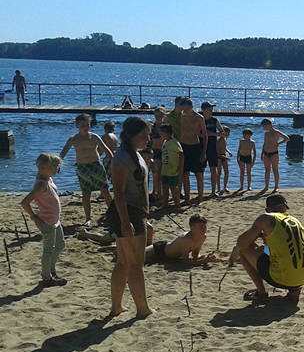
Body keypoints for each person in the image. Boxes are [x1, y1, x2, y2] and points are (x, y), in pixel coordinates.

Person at [107, 116, 153, 319]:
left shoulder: (133, 153)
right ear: (131, 135)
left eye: (148, 135)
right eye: (143, 136)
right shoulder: (121, 157)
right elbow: (118, 193)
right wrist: (126, 223)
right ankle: (142, 309)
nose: (147, 139)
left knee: (124, 263)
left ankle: (116, 307)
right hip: (128, 213)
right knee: (134, 265)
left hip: (136, 212)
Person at [228, 193, 304, 304]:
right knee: (265, 250)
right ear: (286, 207)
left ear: (267, 210)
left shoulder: (266, 218)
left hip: (280, 278)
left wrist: (256, 236)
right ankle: (294, 292)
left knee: (244, 250)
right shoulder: (295, 221)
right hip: (302, 278)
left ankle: (262, 293)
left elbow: (241, 243)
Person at [20, 153, 67, 287]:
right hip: (46, 222)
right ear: (45, 168)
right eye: (56, 167)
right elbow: (25, 202)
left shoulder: (48, 179)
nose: (58, 169)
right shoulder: (41, 185)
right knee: (48, 249)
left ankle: (50, 270)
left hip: (55, 220)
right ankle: (46, 277)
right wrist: (33, 216)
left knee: (60, 245)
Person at [60, 113, 113, 225]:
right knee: (86, 193)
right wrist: (58, 164)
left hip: (96, 166)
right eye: (83, 125)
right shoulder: (73, 139)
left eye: (87, 125)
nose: (85, 127)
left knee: (105, 191)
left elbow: (107, 150)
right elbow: (64, 152)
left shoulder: (94, 137)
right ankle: (88, 218)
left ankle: (113, 214)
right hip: (82, 168)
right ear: (77, 126)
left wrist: (113, 161)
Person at [147, 215, 219, 264]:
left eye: (204, 226)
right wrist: (203, 261)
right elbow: (185, 261)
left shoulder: (203, 237)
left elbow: (195, 254)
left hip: (168, 254)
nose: (204, 229)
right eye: (201, 227)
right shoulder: (186, 239)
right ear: (192, 228)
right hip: (159, 250)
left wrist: (205, 258)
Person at [178, 97, 208, 203]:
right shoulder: (180, 116)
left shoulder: (199, 117)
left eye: (184, 106)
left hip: (195, 146)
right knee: (184, 174)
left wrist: (204, 152)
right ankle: (187, 198)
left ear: (189, 106)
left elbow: (205, 135)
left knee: (199, 174)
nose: (182, 108)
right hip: (183, 146)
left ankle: (200, 198)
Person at [260, 119, 289, 192]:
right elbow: (264, 143)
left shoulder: (276, 132)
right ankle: (266, 186)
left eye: (264, 126)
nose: (263, 128)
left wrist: (278, 143)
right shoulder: (266, 133)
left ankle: (276, 187)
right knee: (267, 170)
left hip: (274, 153)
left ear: (268, 125)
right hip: (266, 153)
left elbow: (287, 138)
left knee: (275, 170)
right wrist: (262, 153)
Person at [201, 102, 223, 197]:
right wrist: (214, 134)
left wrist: (215, 134)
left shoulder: (215, 120)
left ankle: (213, 191)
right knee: (200, 170)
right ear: (204, 110)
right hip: (201, 147)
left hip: (213, 147)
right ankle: (200, 191)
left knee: (213, 169)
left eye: (211, 108)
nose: (211, 110)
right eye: (209, 108)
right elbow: (200, 133)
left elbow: (222, 132)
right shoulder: (199, 119)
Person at [159, 124, 183, 208]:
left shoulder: (174, 142)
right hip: (165, 169)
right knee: (165, 187)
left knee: (173, 188)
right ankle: (165, 204)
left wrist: (180, 167)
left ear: (167, 133)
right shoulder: (165, 142)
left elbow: (181, 154)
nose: (160, 135)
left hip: (173, 169)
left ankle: (177, 205)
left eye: (162, 133)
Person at [150, 107, 167, 200]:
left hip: (163, 151)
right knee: (155, 173)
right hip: (154, 151)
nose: (158, 117)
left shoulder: (166, 127)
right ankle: (155, 192)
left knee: (161, 174)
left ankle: (160, 194)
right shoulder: (152, 126)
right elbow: (150, 140)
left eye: (160, 115)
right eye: (156, 115)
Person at [217, 126, 232, 194]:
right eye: (226, 133)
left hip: (224, 155)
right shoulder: (219, 140)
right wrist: (224, 157)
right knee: (219, 173)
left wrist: (228, 152)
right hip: (219, 157)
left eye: (228, 133)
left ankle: (225, 187)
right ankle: (218, 188)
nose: (228, 135)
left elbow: (224, 147)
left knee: (226, 172)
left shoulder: (225, 139)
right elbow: (216, 152)